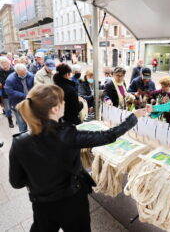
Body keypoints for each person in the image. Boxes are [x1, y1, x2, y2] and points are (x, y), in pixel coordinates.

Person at [9, 84, 146, 232]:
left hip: (41, 204)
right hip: (72, 201)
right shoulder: (68, 135)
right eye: (62, 100)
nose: (65, 103)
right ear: (55, 109)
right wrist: (134, 117)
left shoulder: (19, 142)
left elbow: (16, 182)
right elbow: (109, 135)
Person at [4, 63, 34, 132]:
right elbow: (9, 91)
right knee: (22, 123)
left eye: (24, 73)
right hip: (17, 103)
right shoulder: (10, 79)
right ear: (16, 72)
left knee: (32, 121)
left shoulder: (31, 76)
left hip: (29, 102)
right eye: (21, 74)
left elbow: (34, 87)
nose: (23, 75)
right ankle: (23, 138)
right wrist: (24, 95)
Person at [0, 57, 15, 127]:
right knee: (8, 108)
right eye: (2, 63)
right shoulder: (0, 71)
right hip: (5, 92)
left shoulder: (13, 70)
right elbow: (2, 82)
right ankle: (10, 121)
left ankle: (18, 119)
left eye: (5, 62)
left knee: (16, 106)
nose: (4, 64)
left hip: (14, 91)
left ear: (8, 62)